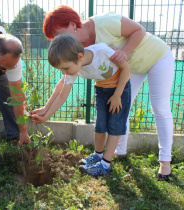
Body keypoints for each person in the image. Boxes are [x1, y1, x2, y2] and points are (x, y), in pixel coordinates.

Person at [42, 5, 174, 181]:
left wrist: (123, 53)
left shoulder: (104, 23)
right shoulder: (77, 48)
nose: (59, 39)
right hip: (131, 67)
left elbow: (139, 30)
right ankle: (118, 153)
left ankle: (165, 163)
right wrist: (45, 110)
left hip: (156, 57)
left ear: (73, 24)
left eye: (58, 34)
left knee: (159, 108)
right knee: (120, 109)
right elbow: (66, 80)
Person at [31, 33, 131, 176]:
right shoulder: (73, 66)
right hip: (101, 89)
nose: (64, 73)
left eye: (65, 68)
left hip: (120, 88)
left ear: (79, 57)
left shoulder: (102, 51)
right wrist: (46, 112)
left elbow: (126, 69)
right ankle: (98, 155)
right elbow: (62, 95)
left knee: (114, 125)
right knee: (100, 124)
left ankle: (105, 165)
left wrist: (117, 95)